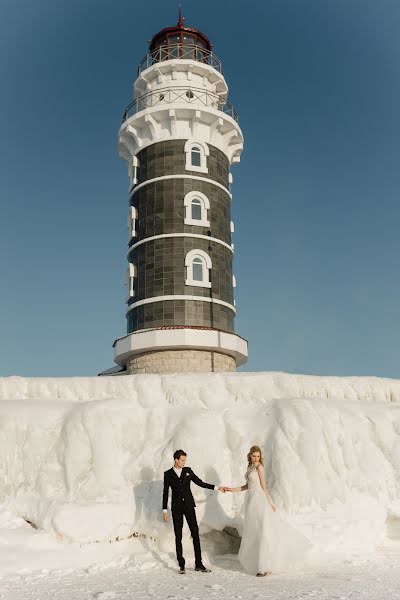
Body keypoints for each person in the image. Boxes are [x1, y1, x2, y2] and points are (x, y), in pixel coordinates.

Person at [226, 445, 312, 576]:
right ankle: (259, 564)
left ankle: (263, 568)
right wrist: (231, 489)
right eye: (254, 456)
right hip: (250, 500)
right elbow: (247, 486)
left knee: (263, 531)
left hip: (259, 500)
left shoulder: (260, 467)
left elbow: (264, 487)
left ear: (260, 457)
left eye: (258, 456)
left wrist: (271, 503)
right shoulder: (250, 467)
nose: (256, 458)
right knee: (254, 531)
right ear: (250, 455)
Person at [162, 449, 226, 574]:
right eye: (182, 460)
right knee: (178, 535)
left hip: (189, 507)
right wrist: (164, 510)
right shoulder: (168, 474)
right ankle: (181, 564)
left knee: (195, 533)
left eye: (185, 460)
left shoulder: (188, 471)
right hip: (176, 509)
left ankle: (199, 564)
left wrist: (217, 488)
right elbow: (165, 493)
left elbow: (200, 483)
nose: (184, 462)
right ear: (176, 460)